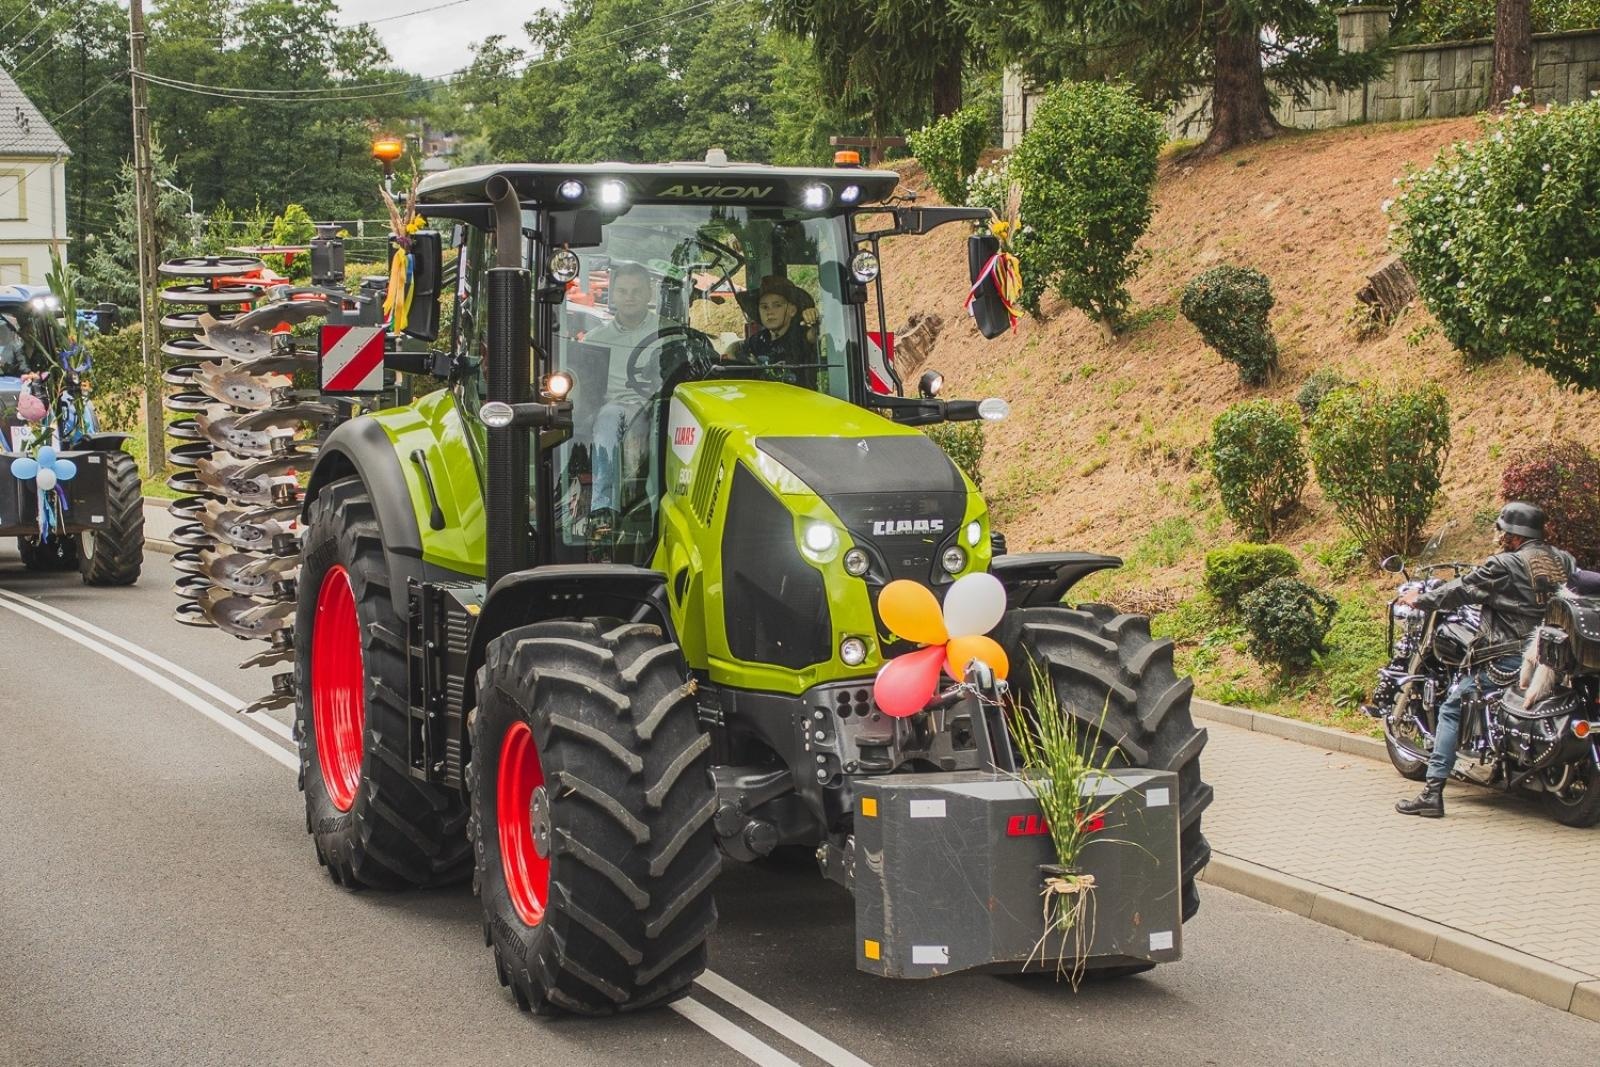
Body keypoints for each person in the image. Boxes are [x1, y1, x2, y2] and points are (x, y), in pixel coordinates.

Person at [1395, 501, 1574, 818]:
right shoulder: (1563, 560)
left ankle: (1432, 792)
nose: (1500, 536)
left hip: (1510, 657)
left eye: (1503, 531)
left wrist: (1419, 599)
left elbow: (1461, 590)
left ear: (1515, 536)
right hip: (1556, 655)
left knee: (1452, 706)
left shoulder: (1506, 564)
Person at [579, 262, 675, 538]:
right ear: (613, 295)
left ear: (649, 294)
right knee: (608, 416)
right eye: (623, 291)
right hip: (617, 407)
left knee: (662, 421)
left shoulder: (668, 333)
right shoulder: (596, 340)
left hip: (658, 405)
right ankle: (602, 508)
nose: (630, 296)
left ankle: (660, 512)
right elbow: (586, 390)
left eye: (636, 290)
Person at [728, 275, 817, 383]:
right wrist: (730, 352)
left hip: (799, 398)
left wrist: (815, 319)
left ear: (792, 310)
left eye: (777, 305)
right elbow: (739, 346)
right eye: (764, 307)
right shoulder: (760, 339)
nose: (769, 312)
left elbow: (817, 333)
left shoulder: (800, 335)